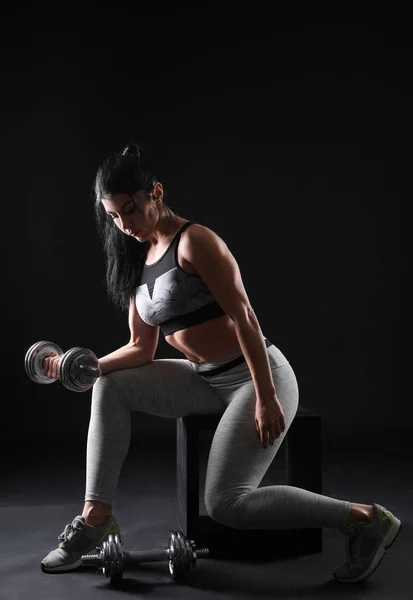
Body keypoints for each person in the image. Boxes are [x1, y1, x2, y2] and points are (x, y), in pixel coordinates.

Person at [40, 143, 401, 584]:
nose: (124, 225)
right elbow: (140, 348)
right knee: (108, 386)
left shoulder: (196, 241)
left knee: (228, 502)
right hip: (203, 379)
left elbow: (245, 316)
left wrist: (266, 397)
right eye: (114, 217)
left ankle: (366, 519)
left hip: (255, 375)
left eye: (130, 210)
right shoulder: (136, 261)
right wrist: (86, 366)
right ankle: (95, 522)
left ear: (156, 192)